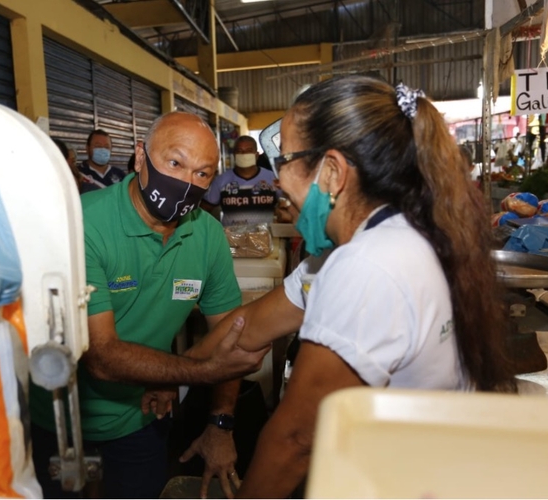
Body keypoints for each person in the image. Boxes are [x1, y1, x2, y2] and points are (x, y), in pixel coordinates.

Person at [189, 75, 516, 498]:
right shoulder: (389, 239)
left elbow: (296, 441)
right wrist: (174, 376)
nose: (274, 179)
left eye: (283, 159)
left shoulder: (367, 266)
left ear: (331, 171)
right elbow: (248, 326)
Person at [29, 112, 269, 499]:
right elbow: (102, 355)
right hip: (60, 422)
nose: (186, 182)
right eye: (175, 163)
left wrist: (220, 423)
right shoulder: (83, 225)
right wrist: (196, 372)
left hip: (143, 416)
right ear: (140, 158)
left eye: (203, 173)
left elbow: (231, 336)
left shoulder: (206, 235)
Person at [202, 135, 281, 226]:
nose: (244, 154)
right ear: (234, 155)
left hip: (266, 237)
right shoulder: (221, 180)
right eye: (239, 151)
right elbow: (205, 209)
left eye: (248, 150)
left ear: (256, 155)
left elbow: (286, 204)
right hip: (231, 238)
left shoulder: (272, 178)